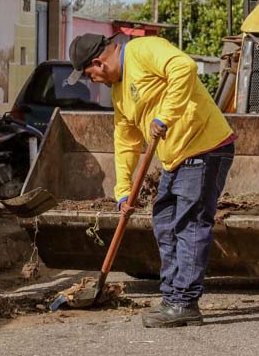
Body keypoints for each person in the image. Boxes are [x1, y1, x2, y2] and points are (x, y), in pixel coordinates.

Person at [67, 33, 237, 328]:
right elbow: (125, 141)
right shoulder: (119, 91)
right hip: (175, 157)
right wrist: (123, 192)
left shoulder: (143, 49)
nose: (92, 81)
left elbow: (184, 67)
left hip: (204, 147)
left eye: (88, 75)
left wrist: (165, 117)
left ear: (98, 62)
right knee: (164, 221)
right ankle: (172, 297)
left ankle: (185, 302)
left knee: (190, 223)